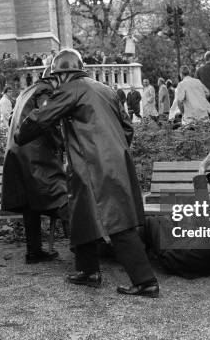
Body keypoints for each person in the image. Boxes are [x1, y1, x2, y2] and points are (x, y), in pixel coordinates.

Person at [15, 48, 159, 298]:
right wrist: (113, 149)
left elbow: (41, 118)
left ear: (61, 74)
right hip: (109, 160)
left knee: (117, 222)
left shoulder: (70, 89)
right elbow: (127, 128)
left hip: (92, 164)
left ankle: (145, 281)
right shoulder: (105, 89)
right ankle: (87, 271)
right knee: (81, 215)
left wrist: (20, 134)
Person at [142, 149, 210, 278]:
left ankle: (126, 251)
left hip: (181, 264)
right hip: (209, 266)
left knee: (150, 222)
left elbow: (202, 199)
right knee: (169, 225)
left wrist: (202, 168)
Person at [3, 67, 68, 263]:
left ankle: (34, 251)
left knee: (30, 206)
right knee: (61, 199)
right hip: (35, 156)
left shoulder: (26, 92)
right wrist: (61, 144)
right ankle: (86, 250)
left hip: (16, 155)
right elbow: (46, 119)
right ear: (55, 79)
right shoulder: (44, 91)